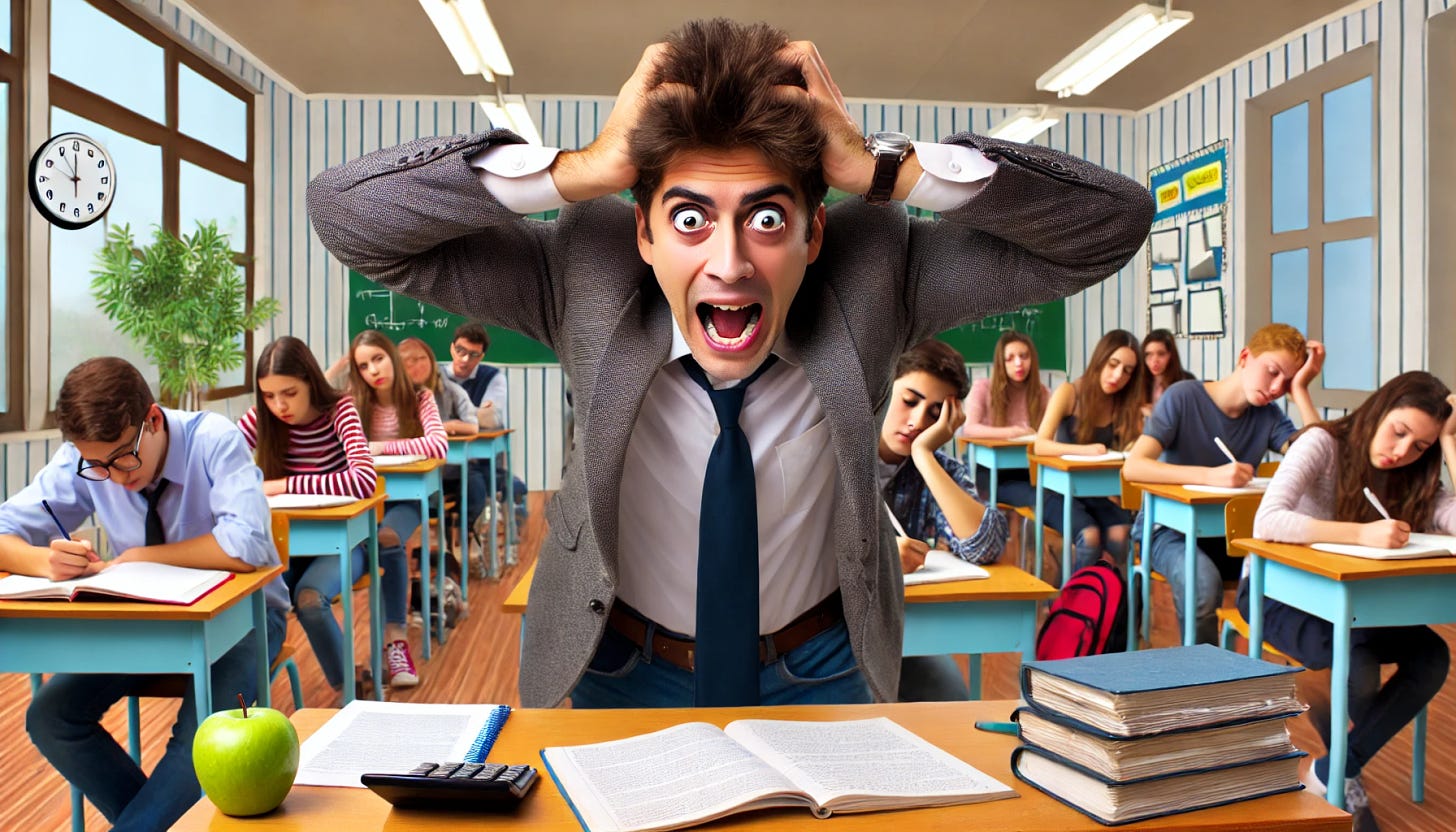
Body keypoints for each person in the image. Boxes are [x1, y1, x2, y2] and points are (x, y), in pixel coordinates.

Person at [308, 19, 1154, 708]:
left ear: (815, 233)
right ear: (641, 231)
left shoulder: (872, 270)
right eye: (687, 219)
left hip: (821, 664)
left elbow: (1110, 225)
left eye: (766, 219)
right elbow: (346, 215)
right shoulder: (587, 270)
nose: (729, 263)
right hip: (616, 666)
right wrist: (585, 169)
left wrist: (878, 170)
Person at [0, 357, 287, 832]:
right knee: (51, 716)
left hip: (246, 618)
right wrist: (41, 561)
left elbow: (250, 545)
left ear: (152, 419)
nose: (113, 476)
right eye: (96, 466)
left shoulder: (214, 439)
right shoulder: (86, 458)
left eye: (121, 458)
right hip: (148, 620)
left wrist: (144, 556)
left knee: (201, 737)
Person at [1241, 372, 1456, 831]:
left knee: (1432, 656)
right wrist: (1359, 533)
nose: (1401, 452)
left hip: (1351, 600)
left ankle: (1331, 768)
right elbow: (1267, 520)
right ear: (1380, 408)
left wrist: (1451, 444)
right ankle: (1345, 770)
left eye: (1420, 446)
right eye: (1399, 432)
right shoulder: (1322, 443)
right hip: (1279, 592)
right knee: (1354, 663)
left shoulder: (1412, 473)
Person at [1122, 323, 1325, 644]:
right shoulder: (1183, 397)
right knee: (1202, 585)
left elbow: (1322, 460)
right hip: (1168, 533)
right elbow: (1134, 467)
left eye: (1286, 382)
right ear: (1245, 357)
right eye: (1272, 372)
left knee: (1296, 575)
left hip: (1232, 536)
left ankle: (1255, 676)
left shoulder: (1268, 416)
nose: (1275, 387)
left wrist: (1301, 391)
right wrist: (1208, 475)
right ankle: (1204, 683)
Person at [239, 336, 378, 702]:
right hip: (282, 545)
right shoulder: (261, 418)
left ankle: (350, 692)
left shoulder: (340, 410)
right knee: (251, 600)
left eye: (289, 392)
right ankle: (245, 698)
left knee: (311, 600)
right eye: (268, 396)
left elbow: (363, 479)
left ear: (310, 382)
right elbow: (217, 462)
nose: (279, 405)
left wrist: (283, 484)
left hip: (344, 541)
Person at [880, 341, 1008, 701]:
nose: (918, 421)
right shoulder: (836, 452)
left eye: (935, 412)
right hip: (832, 636)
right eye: (910, 400)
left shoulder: (939, 469)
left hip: (907, 631)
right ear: (883, 387)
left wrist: (923, 454)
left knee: (953, 702)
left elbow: (984, 545)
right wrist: (882, 556)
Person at [347, 329, 449, 688]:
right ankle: (362, 663)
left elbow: (438, 445)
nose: (373, 370)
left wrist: (379, 449)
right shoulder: (352, 404)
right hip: (362, 500)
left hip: (405, 500)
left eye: (378, 358)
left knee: (388, 538)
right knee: (373, 541)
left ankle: (396, 642)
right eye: (362, 365)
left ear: (391, 356)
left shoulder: (420, 397)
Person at [1031, 329, 1144, 577]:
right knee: (1089, 537)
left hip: (1097, 495)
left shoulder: (1122, 403)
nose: (1117, 376)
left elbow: (1133, 449)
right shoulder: (1069, 392)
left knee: (1122, 533)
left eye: (1127, 371)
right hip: (1058, 494)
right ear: (1100, 359)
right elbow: (1040, 445)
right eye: (1113, 364)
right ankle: (1075, 608)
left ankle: (1107, 604)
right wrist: (1085, 451)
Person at [399, 336, 489, 572]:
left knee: (474, 483)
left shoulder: (449, 389)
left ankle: (463, 536)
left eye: (420, 359)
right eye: (406, 361)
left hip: (447, 468)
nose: (414, 366)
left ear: (430, 360)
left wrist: (445, 426)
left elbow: (472, 426)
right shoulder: (392, 394)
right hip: (407, 470)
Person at [439, 322, 527, 526]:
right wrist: (475, 413)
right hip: (444, 463)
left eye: (473, 354)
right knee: (475, 485)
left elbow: (491, 420)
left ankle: (472, 529)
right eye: (460, 350)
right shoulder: (436, 375)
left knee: (499, 485)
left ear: (482, 357)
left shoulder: (492, 377)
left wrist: (451, 421)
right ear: (452, 348)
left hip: (480, 460)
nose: (464, 359)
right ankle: (465, 530)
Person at [956, 329, 1050, 506]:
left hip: (1025, 467)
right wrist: (1013, 432)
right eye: (1010, 358)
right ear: (1001, 362)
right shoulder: (983, 387)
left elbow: (1052, 431)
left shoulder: (1042, 393)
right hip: (988, 470)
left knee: (1047, 494)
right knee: (1039, 497)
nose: (1018, 363)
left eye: (1024, 356)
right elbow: (969, 428)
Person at [1141, 328, 1196, 414]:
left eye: (1161, 354)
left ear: (1171, 355)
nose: (1154, 360)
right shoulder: (1139, 381)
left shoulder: (1185, 381)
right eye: (1148, 354)